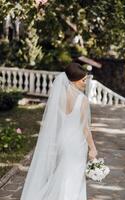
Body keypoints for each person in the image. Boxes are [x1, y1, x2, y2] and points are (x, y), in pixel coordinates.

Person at [20, 62, 98, 200]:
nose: (85, 83)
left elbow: (57, 123)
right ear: (74, 80)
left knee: (63, 173)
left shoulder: (58, 98)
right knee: (73, 176)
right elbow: (85, 128)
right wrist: (92, 148)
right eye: (83, 80)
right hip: (75, 143)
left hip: (62, 140)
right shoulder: (82, 100)